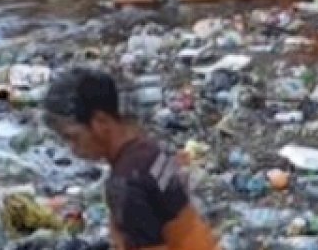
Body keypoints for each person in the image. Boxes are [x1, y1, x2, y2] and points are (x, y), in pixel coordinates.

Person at [43, 67, 218, 250]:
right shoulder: (151, 150)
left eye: (73, 137)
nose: (72, 149)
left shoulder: (125, 184)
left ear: (100, 122)